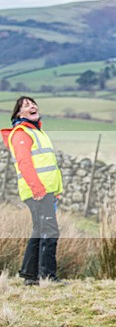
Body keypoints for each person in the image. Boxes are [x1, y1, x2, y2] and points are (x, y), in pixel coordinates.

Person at [1, 97, 63, 286]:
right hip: (37, 192)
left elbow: (48, 164)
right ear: (19, 114)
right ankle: (47, 277)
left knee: (40, 230)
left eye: (33, 103)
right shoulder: (21, 134)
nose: (32, 106)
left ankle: (29, 275)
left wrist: (56, 190)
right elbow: (24, 164)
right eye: (26, 105)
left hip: (46, 191)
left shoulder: (37, 132)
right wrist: (38, 189)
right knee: (50, 231)